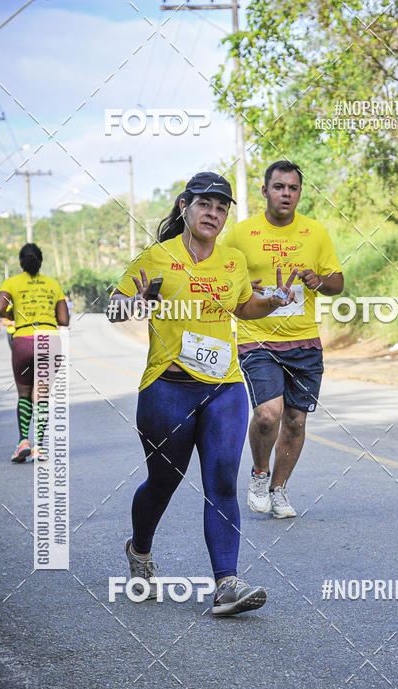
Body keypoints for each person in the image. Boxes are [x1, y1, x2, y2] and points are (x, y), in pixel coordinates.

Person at [107, 171, 296, 616]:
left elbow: (243, 306)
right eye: (205, 204)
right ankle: (140, 549)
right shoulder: (156, 257)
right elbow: (114, 307)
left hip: (224, 388)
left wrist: (271, 301)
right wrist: (133, 303)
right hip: (167, 390)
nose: (213, 213)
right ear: (185, 207)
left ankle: (227, 583)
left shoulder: (232, 261)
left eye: (221, 207)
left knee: (222, 483)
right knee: (162, 483)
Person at [223, 160, 344, 518]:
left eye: (293, 188)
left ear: (300, 192)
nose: (286, 194)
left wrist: (318, 280)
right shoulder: (241, 234)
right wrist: (242, 286)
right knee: (267, 414)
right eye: (279, 187)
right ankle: (260, 475)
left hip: (304, 341)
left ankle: (279, 489)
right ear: (265, 191)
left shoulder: (315, 232)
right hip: (257, 338)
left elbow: (337, 282)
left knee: (295, 420)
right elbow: (221, 274)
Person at [0, 243, 69, 462]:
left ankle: (23, 443)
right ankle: (39, 447)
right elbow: (64, 319)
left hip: (24, 340)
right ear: (41, 261)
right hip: (49, 340)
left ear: (21, 262)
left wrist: (13, 314)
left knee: (24, 394)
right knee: (42, 395)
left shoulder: (12, 282)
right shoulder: (53, 284)